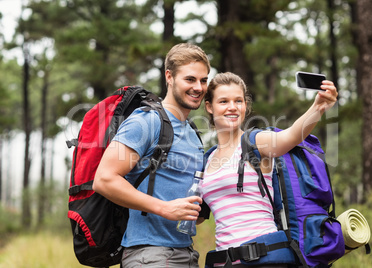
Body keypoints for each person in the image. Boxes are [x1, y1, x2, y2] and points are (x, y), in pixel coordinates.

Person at [199, 72, 338, 267]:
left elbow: (290, 136)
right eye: (223, 101)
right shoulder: (207, 159)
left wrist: (318, 107)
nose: (232, 107)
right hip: (225, 262)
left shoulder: (255, 141)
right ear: (209, 106)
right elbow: (195, 217)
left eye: (238, 101)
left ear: (245, 106)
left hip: (265, 259)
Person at [93, 43, 211, 268]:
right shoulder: (146, 121)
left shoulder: (193, 134)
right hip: (149, 255)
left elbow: (195, 213)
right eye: (190, 79)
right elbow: (104, 179)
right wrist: (165, 208)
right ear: (169, 77)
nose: (198, 87)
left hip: (186, 253)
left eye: (203, 80)